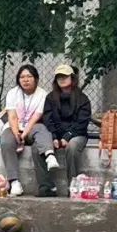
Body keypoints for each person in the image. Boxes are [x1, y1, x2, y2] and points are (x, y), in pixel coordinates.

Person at [0, 63, 54, 196]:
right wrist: (16, 133)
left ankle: (49, 155)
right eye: (22, 77)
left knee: (41, 129)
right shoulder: (12, 93)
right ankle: (14, 182)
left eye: (29, 76)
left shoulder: (43, 94)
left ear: (36, 78)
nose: (25, 80)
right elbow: (12, 116)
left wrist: (24, 135)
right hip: (14, 127)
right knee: (6, 142)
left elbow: (36, 117)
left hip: (32, 127)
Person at [40, 62, 91, 193]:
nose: (61, 79)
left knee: (72, 147)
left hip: (77, 134)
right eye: (59, 77)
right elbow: (48, 119)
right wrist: (54, 137)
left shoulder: (83, 99)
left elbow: (82, 122)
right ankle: (47, 187)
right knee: (38, 147)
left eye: (65, 76)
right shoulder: (50, 98)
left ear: (72, 78)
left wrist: (68, 136)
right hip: (55, 134)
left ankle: (72, 186)